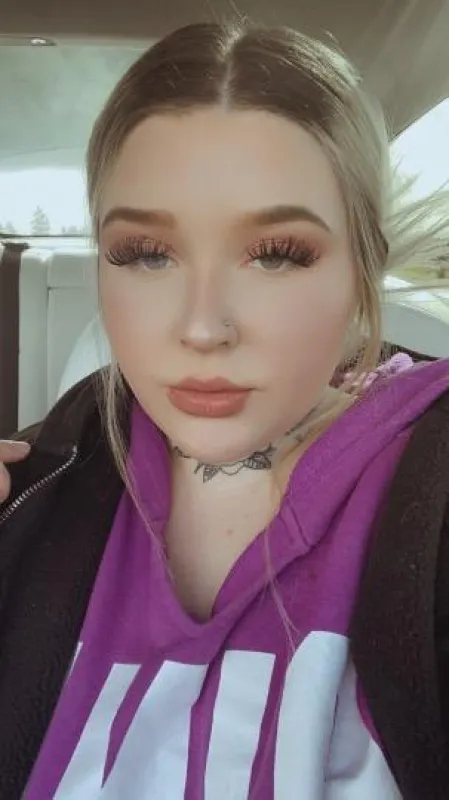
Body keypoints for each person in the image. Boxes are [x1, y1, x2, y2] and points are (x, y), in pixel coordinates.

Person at [1, 21, 449, 800]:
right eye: (146, 253)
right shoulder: (41, 485)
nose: (203, 327)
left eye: (276, 253)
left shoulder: (429, 488)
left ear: (362, 266)